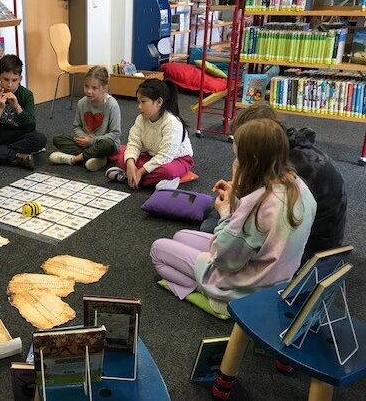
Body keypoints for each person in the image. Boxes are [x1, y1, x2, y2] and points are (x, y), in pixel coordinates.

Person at [150, 119, 317, 316]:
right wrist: (237, 195)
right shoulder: (298, 186)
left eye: (237, 157)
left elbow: (224, 258)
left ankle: (216, 298)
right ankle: (208, 287)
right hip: (277, 278)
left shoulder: (258, 204)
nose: (235, 162)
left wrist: (227, 212)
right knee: (180, 236)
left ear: (251, 160)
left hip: (247, 286)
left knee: (158, 250)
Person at [200, 104, 347, 260]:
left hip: (309, 251)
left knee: (211, 227)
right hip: (324, 237)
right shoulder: (288, 148)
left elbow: (254, 213)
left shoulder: (287, 168)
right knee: (215, 218)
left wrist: (238, 181)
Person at [105, 79, 193, 190]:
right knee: (123, 159)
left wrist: (141, 171)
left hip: (177, 160)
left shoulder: (172, 123)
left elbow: (166, 156)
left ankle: (129, 178)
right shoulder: (141, 119)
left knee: (168, 171)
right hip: (153, 156)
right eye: (138, 102)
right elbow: (133, 144)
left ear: (159, 102)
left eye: (143, 102)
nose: (139, 106)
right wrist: (131, 164)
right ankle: (148, 180)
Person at [49, 66, 121, 172]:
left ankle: (75, 159)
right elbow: (76, 126)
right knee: (58, 139)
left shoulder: (112, 105)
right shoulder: (82, 103)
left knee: (108, 145)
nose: (88, 91)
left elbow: (115, 133)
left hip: (104, 143)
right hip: (86, 143)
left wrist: (92, 141)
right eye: (86, 86)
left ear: (104, 88)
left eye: (94, 88)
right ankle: (98, 158)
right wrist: (83, 138)